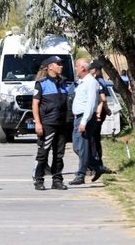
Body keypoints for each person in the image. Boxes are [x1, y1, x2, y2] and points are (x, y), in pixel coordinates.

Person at [31, 56, 69, 191]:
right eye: (58, 64)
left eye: (61, 64)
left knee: (59, 154)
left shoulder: (63, 83)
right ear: (50, 67)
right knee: (43, 153)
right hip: (47, 124)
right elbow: (35, 104)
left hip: (61, 124)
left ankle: (57, 180)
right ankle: (38, 179)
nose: (61, 66)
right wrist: (38, 123)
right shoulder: (41, 83)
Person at [69, 58, 103, 185]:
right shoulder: (82, 82)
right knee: (77, 147)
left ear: (83, 68)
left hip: (85, 118)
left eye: (77, 66)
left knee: (82, 147)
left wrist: (83, 121)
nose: (75, 69)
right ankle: (97, 166)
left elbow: (90, 103)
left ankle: (81, 175)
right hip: (78, 117)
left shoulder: (91, 82)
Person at [90, 60, 113, 175]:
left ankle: (96, 165)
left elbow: (102, 99)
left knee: (93, 139)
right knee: (96, 139)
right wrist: (107, 109)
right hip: (101, 111)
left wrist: (104, 109)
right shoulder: (102, 81)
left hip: (98, 112)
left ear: (95, 70)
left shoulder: (97, 82)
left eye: (91, 68)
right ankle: (98, 163)